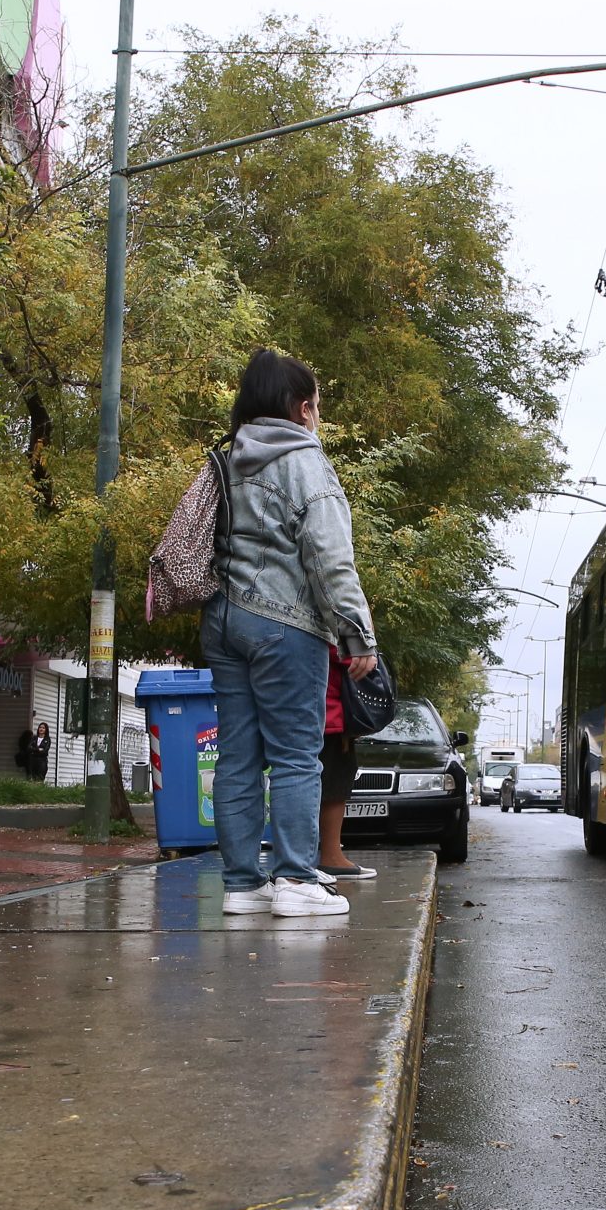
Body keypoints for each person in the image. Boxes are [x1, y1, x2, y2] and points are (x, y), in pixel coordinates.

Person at [203, 348, 378, 918]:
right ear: (302, 409)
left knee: (237, 756)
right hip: (284, 625)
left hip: (224, 620)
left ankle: (242, 886)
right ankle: (297, 881)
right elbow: (330, 558)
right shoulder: (305, 463)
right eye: (317, 405)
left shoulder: (229, 459)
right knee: (299, 755)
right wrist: (357, 635)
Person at [317, 647, 373, 881]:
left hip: (310, 710)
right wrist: (365, 653)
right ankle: (330, 856)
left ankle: (303, 859)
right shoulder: (330, 614)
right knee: (334, 784)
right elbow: (344, 654)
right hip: (329, 712)